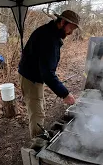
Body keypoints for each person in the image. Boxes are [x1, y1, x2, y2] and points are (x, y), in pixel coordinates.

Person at [18, 10, 81, 140]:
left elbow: (46, 69)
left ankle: (37, 137)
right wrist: (65, 94)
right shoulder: (49, 38)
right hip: (31, 78)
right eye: (71, 28)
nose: (71, 33)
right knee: (37, 112)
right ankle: (36, 145)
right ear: (63, 22)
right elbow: (47, 73)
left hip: (33, 74)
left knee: (39, 106)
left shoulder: (49, 31)